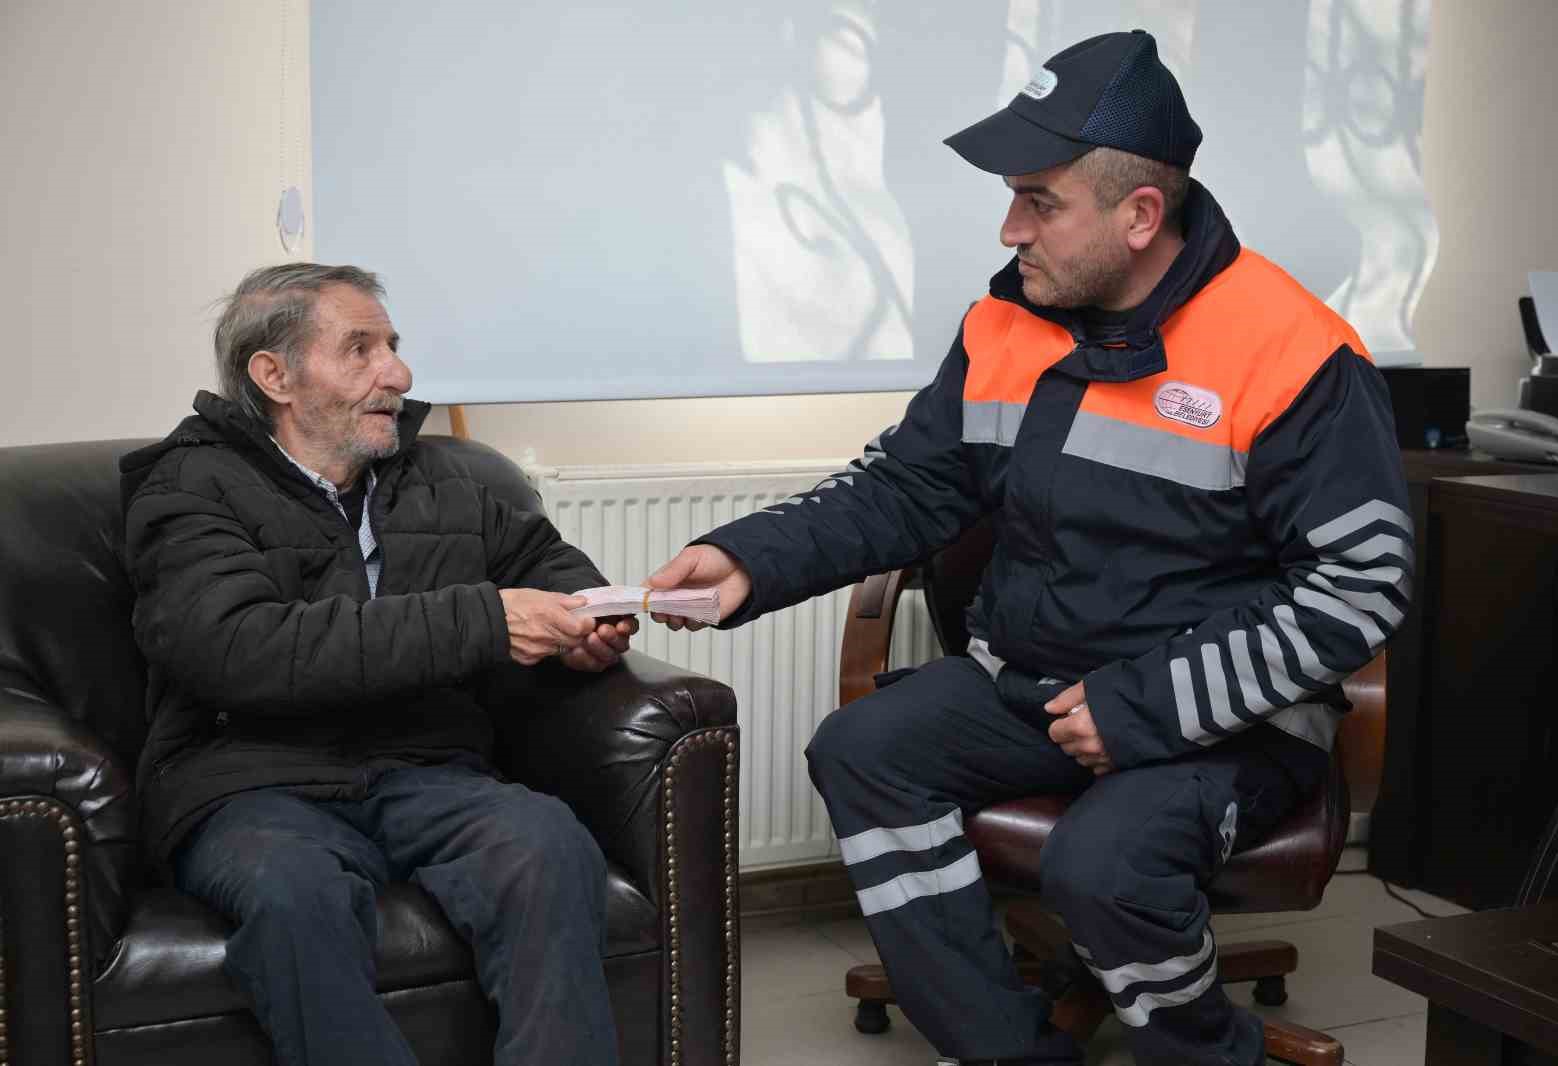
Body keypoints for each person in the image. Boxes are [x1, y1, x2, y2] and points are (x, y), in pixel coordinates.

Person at [646, 30, 1411, 1066]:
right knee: (861, 750)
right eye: (1013, 198)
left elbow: (1360, 585)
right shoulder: (1009, 320)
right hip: (1034, 686)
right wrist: (747, 559)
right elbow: (909, 486)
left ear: (1140, 215)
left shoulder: (1294, 350)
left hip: (1219, 717)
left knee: (1103, 862)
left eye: (1039, 202)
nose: (1011, 229)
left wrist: (1142, 707)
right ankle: (1006, 1047)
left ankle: (1206, 1049)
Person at [120, 263, 637, 1066]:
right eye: (360, 349)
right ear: (275, 376)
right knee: (294, 892)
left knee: (547, 843)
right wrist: (488, 619)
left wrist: (587, 621)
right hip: (252, 782)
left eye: (392, 346)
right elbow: (239, 647)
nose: (397, 373)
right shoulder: (187, 485)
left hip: (424, 765)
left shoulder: (439, 479)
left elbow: (545, 561)